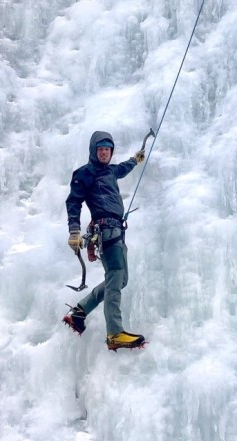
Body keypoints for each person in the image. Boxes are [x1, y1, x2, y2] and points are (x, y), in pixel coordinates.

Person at [63, 130, 146, 350]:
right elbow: (73, 202)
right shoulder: (84, 173)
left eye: (107, 150)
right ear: (93, 151)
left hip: (117, 229)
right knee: (116, 274)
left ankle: (80, 311)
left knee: (121, 279)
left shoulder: (111, 170)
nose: (104, 153)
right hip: (105, 229)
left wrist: (135, 160)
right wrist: (74, 230)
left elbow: (123, 168)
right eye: (100, 150)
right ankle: (115, 333)